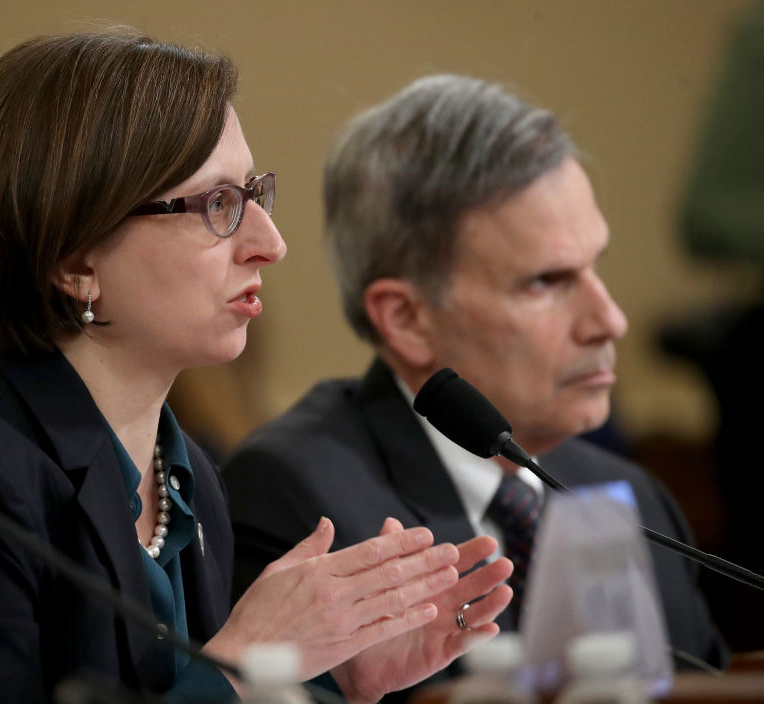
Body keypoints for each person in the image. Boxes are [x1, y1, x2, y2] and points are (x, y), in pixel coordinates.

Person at [0, 34, 513, 703]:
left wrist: (328, 681)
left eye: (252, 195)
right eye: (217, 205)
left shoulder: (187, 479)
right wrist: (240, 669)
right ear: (76, 261)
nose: (269, 243)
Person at [222, 74, 728, 693]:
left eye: (594, 266)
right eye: (546, 282)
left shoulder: (630, 498)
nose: (609, 320)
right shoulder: (298, 499)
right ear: (407, 319)